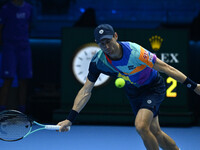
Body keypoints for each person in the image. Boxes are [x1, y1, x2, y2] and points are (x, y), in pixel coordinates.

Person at [57, 24, 200, 150]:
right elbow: (85, 91)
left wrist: (194, 86)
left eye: (109, 41)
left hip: (153, 87)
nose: (107, 47)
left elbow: (167, 68)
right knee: (155, 131)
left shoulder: (134, 51)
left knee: (141, 126)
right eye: (102, 44)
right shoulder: (98, 62)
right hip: (134, 91)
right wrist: (70, 119)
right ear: (97, 43)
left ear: (115, 36)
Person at [0, 0, 33, 112]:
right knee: (8, 79)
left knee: (24, 80)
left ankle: (22, 113)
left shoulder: (29, 8)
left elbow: (29, 26)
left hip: (24, 48)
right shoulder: (5, 9)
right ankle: (2, 112)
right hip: (10, 48)